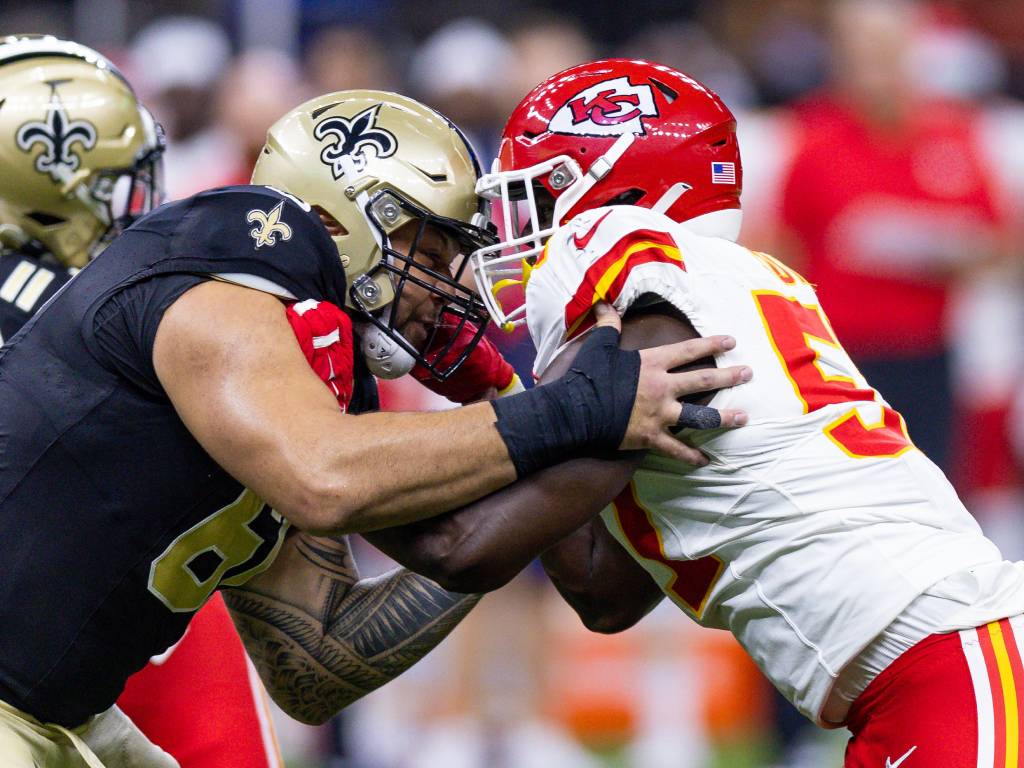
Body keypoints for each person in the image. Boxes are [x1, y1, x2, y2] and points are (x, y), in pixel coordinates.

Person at [0, 73, 748, 766]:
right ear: (346, 218)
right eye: (432, 250)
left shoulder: (307, 375)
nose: (448, 290)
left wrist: (543, 478)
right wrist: (575, 407)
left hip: (56, 711)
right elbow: (323, 475)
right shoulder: (231, 246)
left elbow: (319, 658)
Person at [386, 59, 1024, 767]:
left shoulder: (639, 284)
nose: (515, 235)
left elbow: (467, 547)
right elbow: (603, 587)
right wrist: (495, 386)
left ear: (608, 190)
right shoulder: (699, 294)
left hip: (949, 665)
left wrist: (332, 461)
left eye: (534, 198)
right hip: (930, 672)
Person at [0, 35, 281, 768]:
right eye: (127, 187)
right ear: (59, 184)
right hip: (80, 632)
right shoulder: (100, 326)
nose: (143, 215)